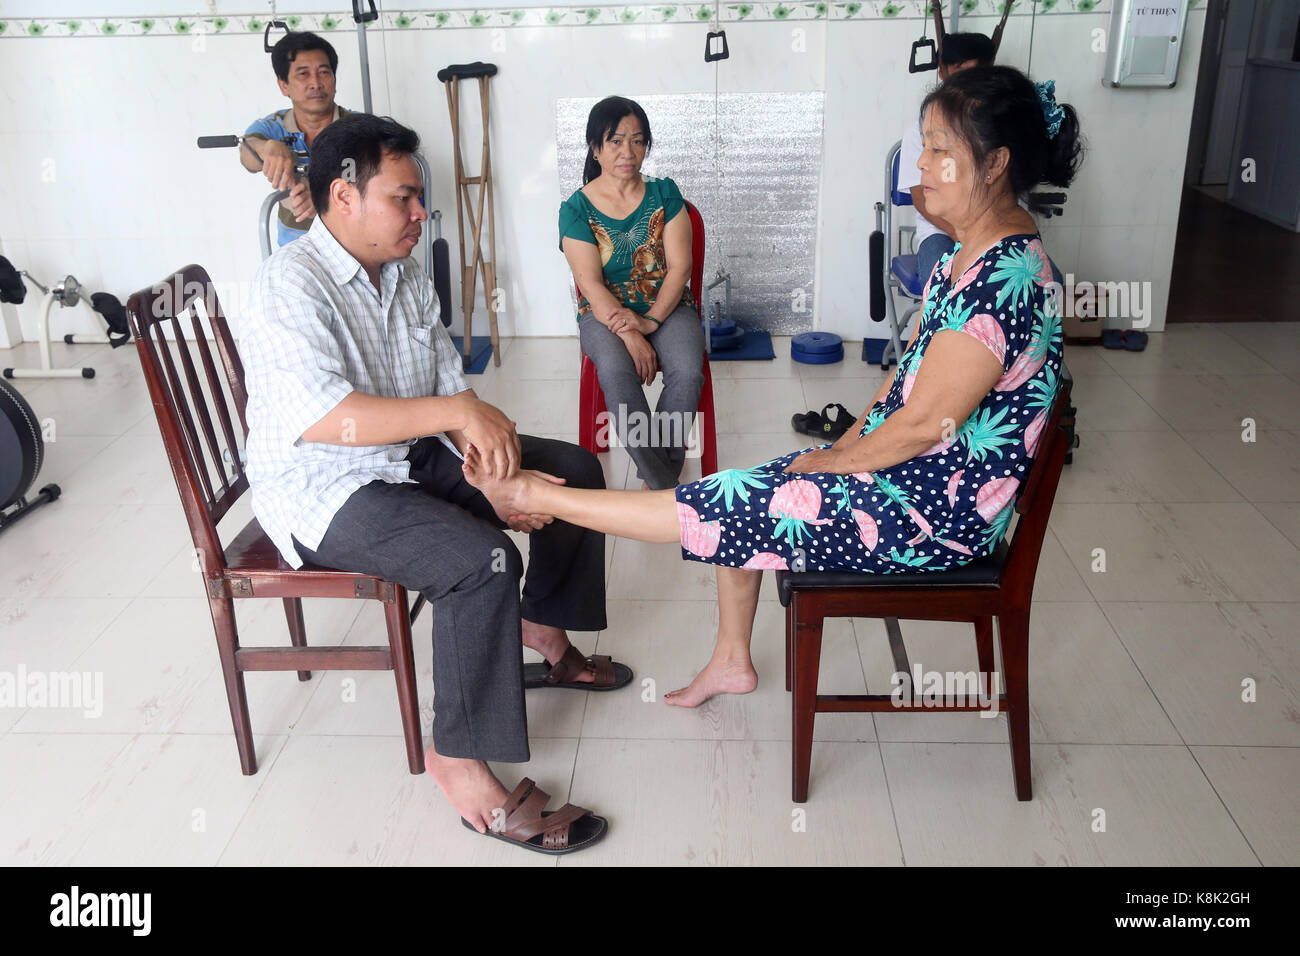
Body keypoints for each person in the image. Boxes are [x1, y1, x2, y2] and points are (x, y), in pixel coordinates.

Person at [463, 66, 1082, 709]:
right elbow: (907, 382)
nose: (919, 165)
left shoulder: (1001, 278)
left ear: (995, 164)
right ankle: (732, 659)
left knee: (723, 502)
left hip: (932, 513)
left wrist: (839, 460)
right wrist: (847, 442)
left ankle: (536, 492)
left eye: (939, 150)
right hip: (916, 476)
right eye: (923, 143)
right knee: (745, 487)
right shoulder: (975, 252)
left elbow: (927, 422)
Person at [241, 113, 630, 854]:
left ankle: (543, 631)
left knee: (572, 469)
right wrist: (458, 418)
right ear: (343, 196)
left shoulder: (407, 273)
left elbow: (447, 384)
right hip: (327, 484)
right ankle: (456, 760)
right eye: (405, 198)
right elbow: (329, 419)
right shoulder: (289, 285)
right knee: (478, 563)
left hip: (412, 452)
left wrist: (493, 476)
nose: (422, 214)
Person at [559, 96, 705, 490]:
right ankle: (664, 487)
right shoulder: (575, 209)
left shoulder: (665, 194)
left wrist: (651, 319)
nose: (628, 152)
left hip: (667, 306)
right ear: (596, 148)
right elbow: (589, 283)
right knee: (616, 373)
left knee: (689, 372)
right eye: (616, 141)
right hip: (604, 315)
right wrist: (630, 332)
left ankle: (658, 478)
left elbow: (681, 268)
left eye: (638, 141)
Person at [898, 32, 996, 285]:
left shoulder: (996, 126)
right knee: (943, 287)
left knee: (1048, 284)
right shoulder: (920, 128)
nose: (967, 80)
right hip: (940, 231)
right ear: (942, 71)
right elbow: (921, 199)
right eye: (960, 69)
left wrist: (988, 235)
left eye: (976, 71)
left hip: (992, 229)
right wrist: (965, 236)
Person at [240, 32, 351, 246]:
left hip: (354, 251)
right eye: (303, 74)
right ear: (284, 85)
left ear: (334, 81)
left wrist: (325, 202)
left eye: (324, 72)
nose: (315, 83)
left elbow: (377, 187)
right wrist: (268, 148)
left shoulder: (359, 129)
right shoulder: (273, 127)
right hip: (295, 255)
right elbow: (247, 153)